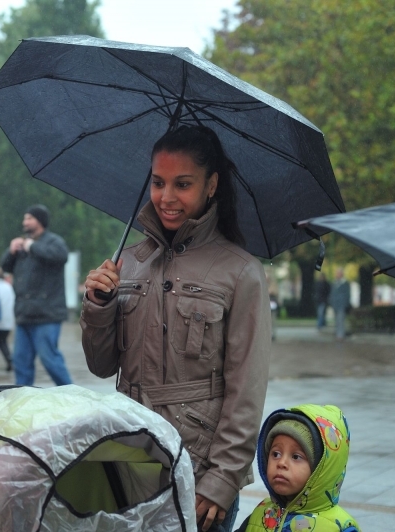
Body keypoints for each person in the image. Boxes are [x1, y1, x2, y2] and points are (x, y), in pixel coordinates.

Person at [80, 125, 271, 532]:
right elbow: (100, 365)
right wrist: (99, 305)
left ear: (211, 184)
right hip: (126, 454)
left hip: (198, 467)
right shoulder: (127, 263)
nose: (167, 198)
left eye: (182, 184)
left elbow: (246, 388)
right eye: (158, 182)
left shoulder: (241, 272)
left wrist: (222, 479)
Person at [234, 404, 360, 531]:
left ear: (320, 469)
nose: (281, 463)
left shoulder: (339, 527)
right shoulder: (261, 513)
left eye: (296, 457)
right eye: (276, 454)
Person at [0, 204, 73, 386]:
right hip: (24, 315)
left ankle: (72, 395)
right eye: (25, 218)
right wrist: (11, 251)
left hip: (47, 315)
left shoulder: (53, 242)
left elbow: (61, 256)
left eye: (29, 218)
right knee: (21, 362)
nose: (24, 222)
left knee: (50, 360)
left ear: (40, 221)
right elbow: (5, 267)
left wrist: (32, 246)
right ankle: (24, 401)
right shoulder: (22, 245)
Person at [329, 268, 351, 341]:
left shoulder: (345, 283)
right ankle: (338, 333)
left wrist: (345, 304)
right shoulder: (334, 283)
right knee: (336, 320)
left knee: (340, 319)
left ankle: (340, 335)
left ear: (341, 274)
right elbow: (332, 293)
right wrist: (331, 302)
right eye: (336, 273)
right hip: (335, 304)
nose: (337, 275)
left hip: (342, 305)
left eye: (338, 273)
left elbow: (347, 295)